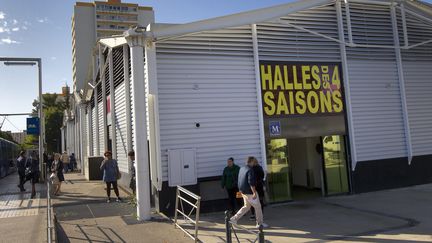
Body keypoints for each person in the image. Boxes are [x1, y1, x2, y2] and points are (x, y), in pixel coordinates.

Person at [230, 156, 268, 229]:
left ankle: (234, 219)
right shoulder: (250, 170)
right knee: (258, 207)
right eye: (254, 161)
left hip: (243, 191)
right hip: (250, 192)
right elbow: (251, 182)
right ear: (251, 161)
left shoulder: (242, 168)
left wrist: (241, 190)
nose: (254, 163)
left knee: (246, 207)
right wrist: (254, 192)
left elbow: (239, 180)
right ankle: (259, 223)